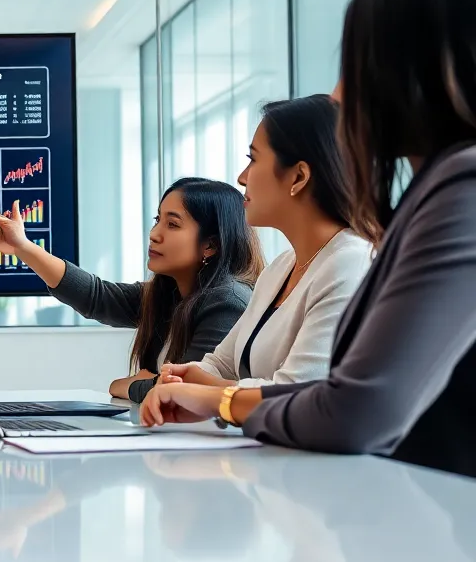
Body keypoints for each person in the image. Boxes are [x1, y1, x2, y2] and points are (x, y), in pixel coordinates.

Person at [141, 0, 476, 479]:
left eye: (356, 68)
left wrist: (224, 403)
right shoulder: (431, 198)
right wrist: (209, 390)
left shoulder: (462, 190)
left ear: (419, 75)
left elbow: (353, 409)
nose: (340, 94)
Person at [0, 177, 261, 402]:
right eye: (157, 220)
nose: (154, 234)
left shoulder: (228, 302)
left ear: (210, 245)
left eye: (173, 224)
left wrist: (131, 384)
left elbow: (185, 392)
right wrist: (22, 247)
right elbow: (96, 297)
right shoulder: (169, 295)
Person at [160, 95, 373, 389]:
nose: (242, 177)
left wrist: (207, 393)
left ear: (299, 176)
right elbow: (222, 364)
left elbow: (295, 392)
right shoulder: (281, 267)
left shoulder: (349, 264)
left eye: (253, 159)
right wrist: (180, 377)